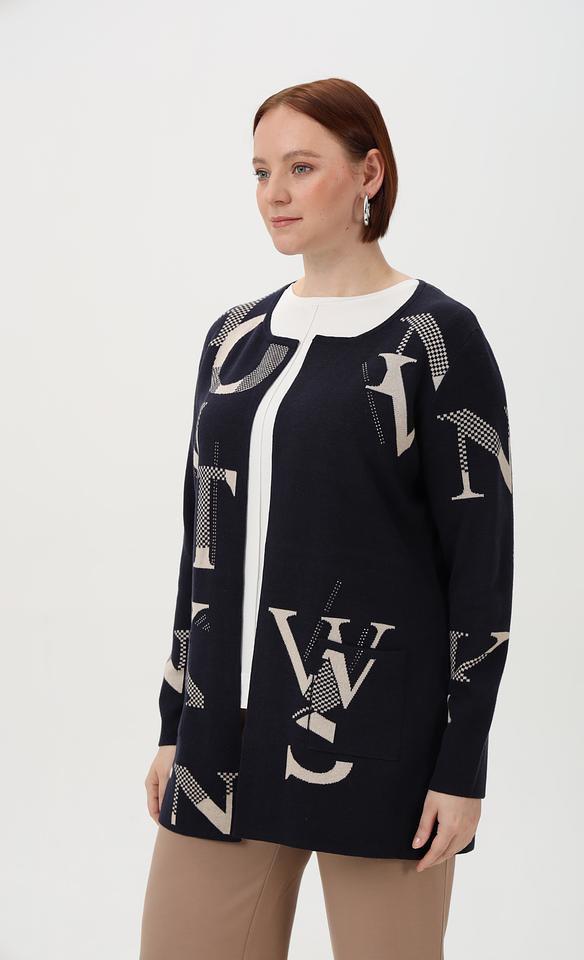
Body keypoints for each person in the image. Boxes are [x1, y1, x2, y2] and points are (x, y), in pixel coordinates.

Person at [140, 77, 514, 960]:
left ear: (369, 174)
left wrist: (462, 765)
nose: (274, 192)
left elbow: (482, 562)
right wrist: (174, 719)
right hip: (221, 734)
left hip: (375, 734)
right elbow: (203, 544)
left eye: (302, 167)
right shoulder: (233, 338)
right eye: (261, 170)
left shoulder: (437, 337)